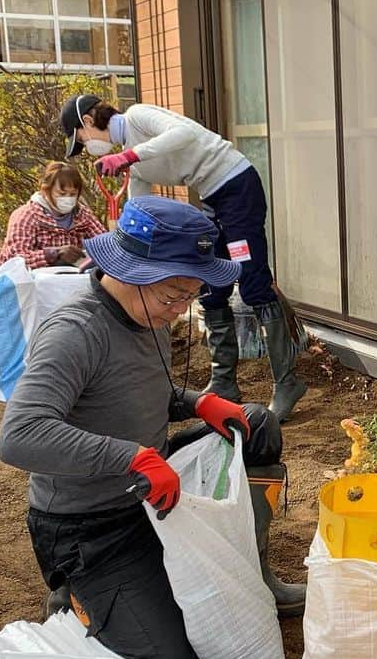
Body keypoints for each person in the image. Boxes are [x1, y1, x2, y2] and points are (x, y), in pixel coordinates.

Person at [0, 196, 306, 659]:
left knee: (257, 424)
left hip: (150, 489)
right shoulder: (75, 332)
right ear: (132, 270)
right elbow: (19, 435)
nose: (180, 310)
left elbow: (139, 390)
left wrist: (196, 402)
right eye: (173, 296)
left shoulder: (149, 315)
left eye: (191, 296)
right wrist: (132, 457)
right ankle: (72, 592)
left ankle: (257, 569)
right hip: (89, 523)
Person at [57, 93, 306, 422]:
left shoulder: (138, 116)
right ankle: (223, 383)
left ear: (88, 122)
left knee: (252, 281)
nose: (87, 146)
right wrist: (122, 248)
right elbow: (139, 209)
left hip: (236, 185)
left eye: (83, 139)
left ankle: (287, 384)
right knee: (209, 282)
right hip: (212, 196)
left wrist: (130, 154)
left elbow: (185, 134)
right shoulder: (136, 163)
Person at [0, 161, 105, 269]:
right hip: (30, 281)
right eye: (62, 194)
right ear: (45, 190)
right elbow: (14, 261)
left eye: (73, 194)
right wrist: (53, 254)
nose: (68, 198)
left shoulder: (82, 215)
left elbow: (104, 243)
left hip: (69, 278)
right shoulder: (26, 216)